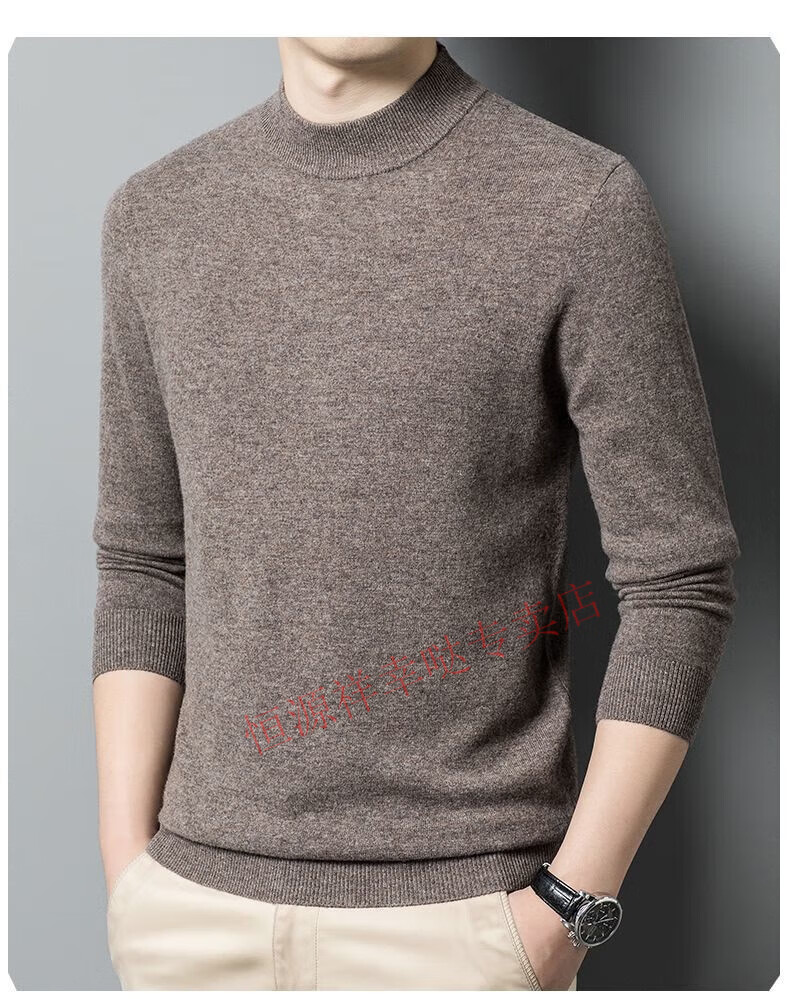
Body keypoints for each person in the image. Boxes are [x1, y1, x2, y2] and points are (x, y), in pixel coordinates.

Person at [91, 37, 740, 991]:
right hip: (192, 920)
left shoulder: (578, 202)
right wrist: (130, 879)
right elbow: (144, 562)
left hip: (463, 925)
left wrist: (565, 909)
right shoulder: (157, 215)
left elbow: (681, 579)